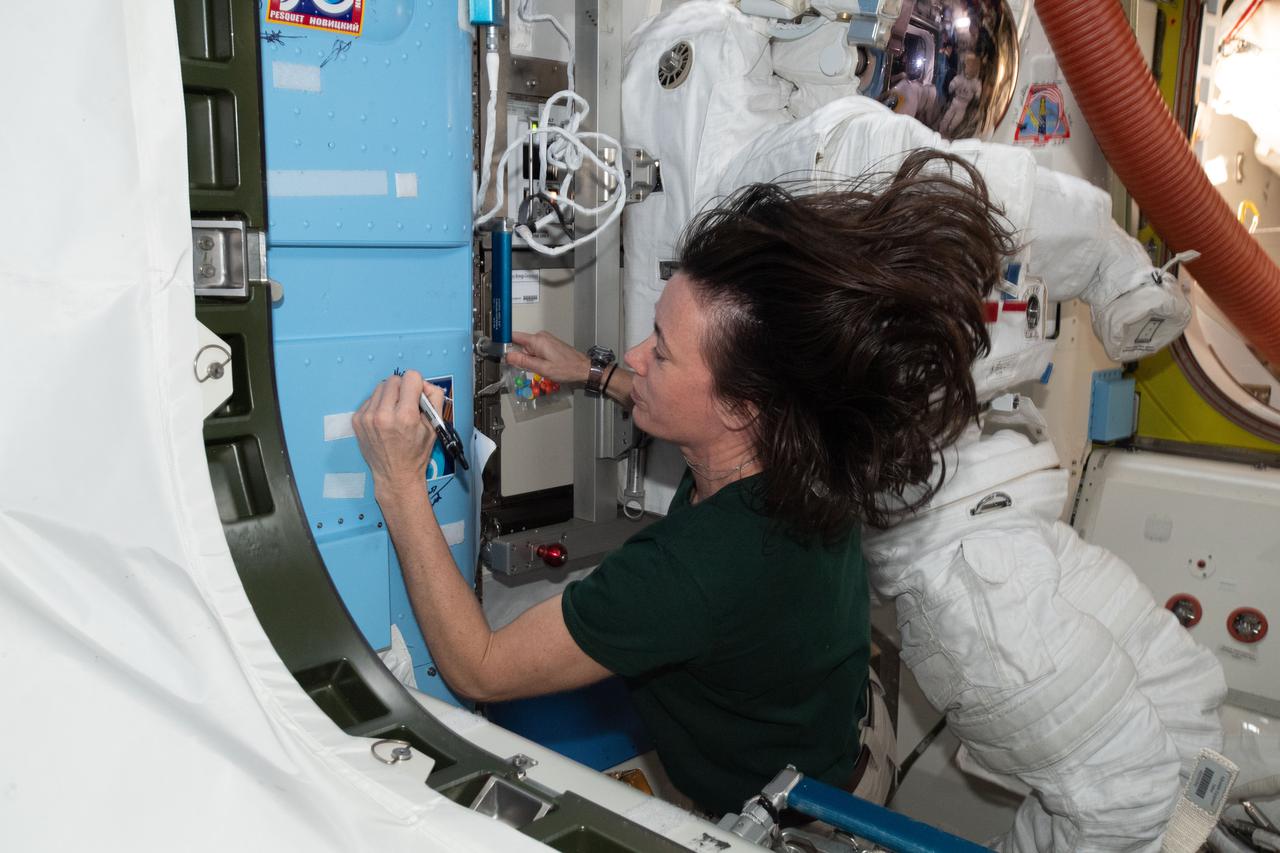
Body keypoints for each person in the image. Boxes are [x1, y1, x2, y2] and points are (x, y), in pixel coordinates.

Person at [353, 150, 1014, 817]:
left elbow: (480, 665)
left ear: (740, 406)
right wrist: (589, 371)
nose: (637, 355)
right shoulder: (813, 440)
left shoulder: (693, 569)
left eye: (661, 351)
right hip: (846, 735)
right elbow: (693, 411)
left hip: (805, 818)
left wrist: (401, 482)